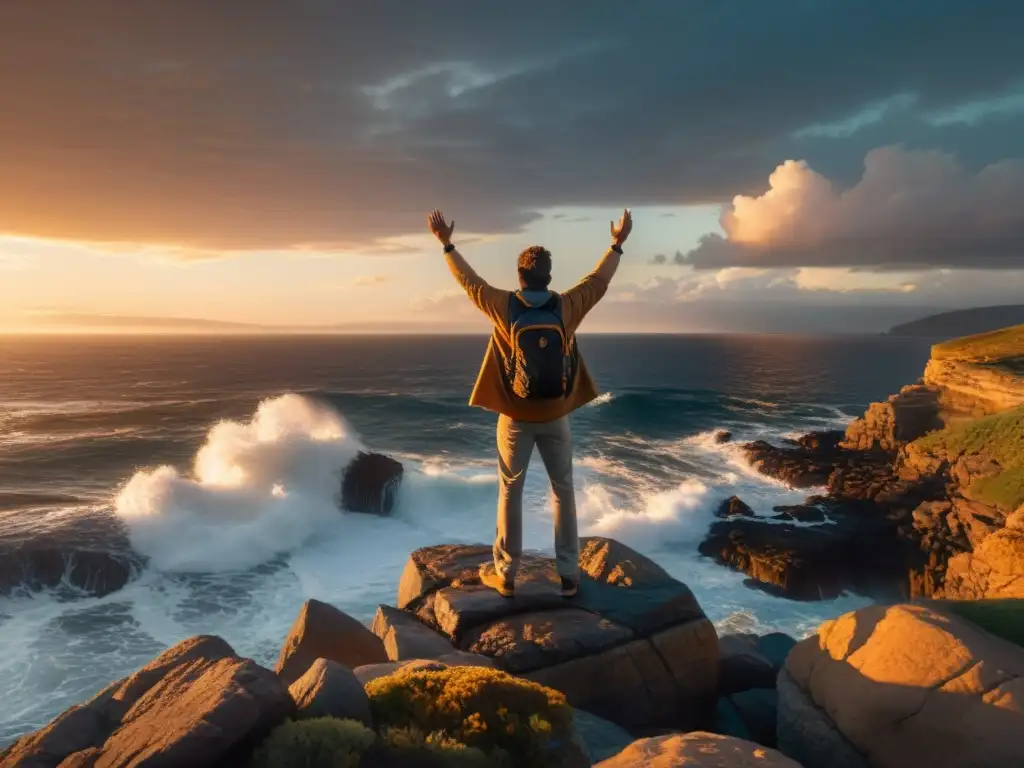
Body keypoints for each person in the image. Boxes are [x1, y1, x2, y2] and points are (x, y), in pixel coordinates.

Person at [425, 208, 633, 598]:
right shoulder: (567, 306)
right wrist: (617, 245)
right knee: (563, 490)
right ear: (549, 277)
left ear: (519, 276)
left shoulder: (502, 305)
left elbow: (468, 281)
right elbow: (598, 281)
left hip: (514, 417)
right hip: (556, 415)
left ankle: (505, 574)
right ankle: (569, 576)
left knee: (510, 490)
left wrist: (447, 244)